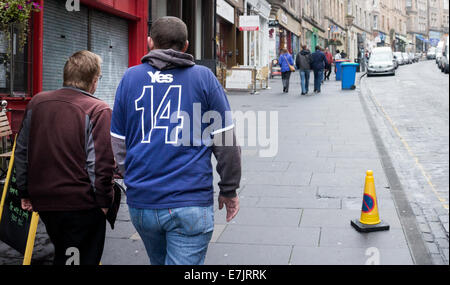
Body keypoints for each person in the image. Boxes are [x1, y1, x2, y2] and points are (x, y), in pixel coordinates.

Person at [110, 16, 241, 265]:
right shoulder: (204, 78)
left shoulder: (130, 78)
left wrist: (134, 177)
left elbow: (118, 141)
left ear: (150, 42)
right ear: (186, 45)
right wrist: (229, 189)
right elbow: (226, 140)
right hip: (190, 203)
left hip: (143, 204)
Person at [15, 50, 115, 265]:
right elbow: (100, 164)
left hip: (45, 200)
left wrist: (24, 190)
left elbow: (22, 150)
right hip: (80, 204)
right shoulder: (98, 109)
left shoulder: (37, 103)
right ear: (94, 80)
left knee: (66, 253)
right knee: (77, 258)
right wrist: (104, 202)